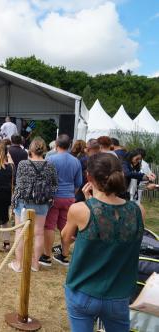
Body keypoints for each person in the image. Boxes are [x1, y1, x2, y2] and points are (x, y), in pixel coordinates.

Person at [61, 153, 145, 332]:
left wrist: (66, 249)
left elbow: (65, 239)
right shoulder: (137, 211)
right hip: (118, 295)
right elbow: (112, 227)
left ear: (89, 177)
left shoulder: (80, 210)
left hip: (83, 291)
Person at [9, 138, 58, 272]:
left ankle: (19, 264)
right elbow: (54, 186)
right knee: (38, 233)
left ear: (30, 149)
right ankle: (35, 264)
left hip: (23, 203)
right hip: (42, 202)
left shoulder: (23, 164)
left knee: (19, 232)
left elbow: (18, 184)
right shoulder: (50, 165)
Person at [42, 134, 82, 267]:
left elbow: (45, 180)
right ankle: (64, 255)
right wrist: (71, 194)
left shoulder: (51, 159)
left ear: (56, 145)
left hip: (53, 197)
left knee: (49, 226)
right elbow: (78, 183)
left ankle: (47, 256)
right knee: (66, 226)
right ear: (69, 146)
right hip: (69, 197)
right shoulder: (76, 161)